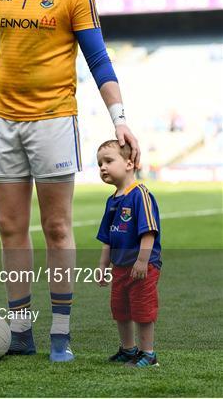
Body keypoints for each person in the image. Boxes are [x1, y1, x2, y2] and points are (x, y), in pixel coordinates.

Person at [0, 0, 140, 362]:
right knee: (9, 228)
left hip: (54, 121)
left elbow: (98, 59)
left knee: (57, 227)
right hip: (3, 122)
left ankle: (60, 333)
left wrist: (119, 117)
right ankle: (21, 331)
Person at [96, 140, 161, 368]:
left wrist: (143, 261)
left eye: (108, 161)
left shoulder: (140, 194)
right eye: (99, 164)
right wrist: (103, 266)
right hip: (120, 268)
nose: (103, 167)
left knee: (142, 310)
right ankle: (128, 349)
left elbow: (148, 232)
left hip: (142, 267)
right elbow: (107, 238)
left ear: (129, 163)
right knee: (121, 310)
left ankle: (148, 354)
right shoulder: (112, 200)